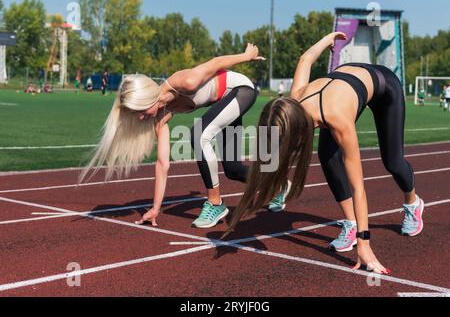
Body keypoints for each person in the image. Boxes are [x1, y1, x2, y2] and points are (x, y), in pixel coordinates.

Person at [228, 32, 425, 275]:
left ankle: (412, 203)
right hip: (346, 78)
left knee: (393, 162)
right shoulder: (293, 100)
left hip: (384, 87)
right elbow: (305, 59)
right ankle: (349, 223)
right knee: (327, 157)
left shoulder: (337, 117)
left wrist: (365, 244)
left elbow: (358, 188)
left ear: (299, 130)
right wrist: (327, 39)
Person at [79, 44, 273, 229]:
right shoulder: (160, 118)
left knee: (198, 134)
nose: (140, 117)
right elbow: (162, 164)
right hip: (224, 102)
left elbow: (215, 63)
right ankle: (276, 183)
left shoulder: (183, 82)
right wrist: (155, 209)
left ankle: (215, 204)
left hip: (241, 90)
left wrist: (246, 56)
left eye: (140, 110)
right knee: (233, 170)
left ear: (149, 98)